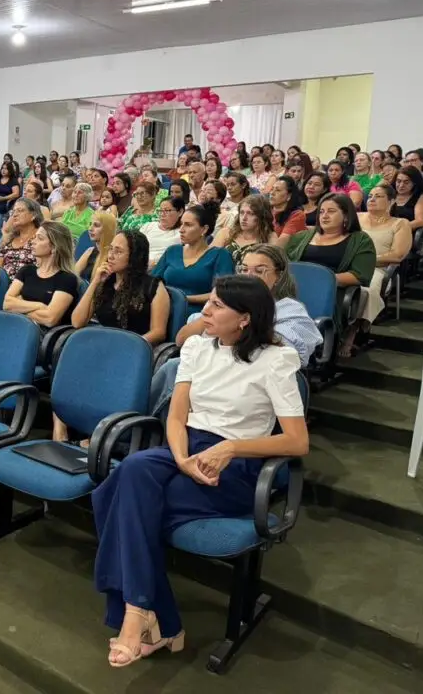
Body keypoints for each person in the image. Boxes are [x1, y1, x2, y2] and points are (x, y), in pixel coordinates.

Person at [95, 274, 308, 668]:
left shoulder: (276, 359)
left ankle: (148, 619)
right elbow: (176, 417)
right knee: (132, 472)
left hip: (237, 464)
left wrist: (231, 447)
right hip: (185, 447)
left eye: (216, 306)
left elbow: (297, 441)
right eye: (206, 302)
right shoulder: (197, 347)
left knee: (122, 498)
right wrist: (180, 459)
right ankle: (145, 613)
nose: (204, 311)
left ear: (244, 319)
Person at [173, 246, 322, 368]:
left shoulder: (290, 310)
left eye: (259, 271)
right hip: (210, 365)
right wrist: (212, 312)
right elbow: (182, 340)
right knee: (173, 365)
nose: (248, 277)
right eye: (244, 269)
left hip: (253, 373)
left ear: (279, 276)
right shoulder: (222, 303)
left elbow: (284, 353)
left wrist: (230, 325)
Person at [285, 193, 376, 338]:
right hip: (294, 289)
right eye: (321, 211)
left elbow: (360, 275)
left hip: (330, 292)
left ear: (346, 216)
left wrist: (321, 281)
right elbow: (285, 264)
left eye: (331, 211)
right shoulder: (301, 237)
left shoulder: (360, 240)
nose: (324, 216)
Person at [347, 185, 413, 354]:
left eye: (378, 196)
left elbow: (397, 255)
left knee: (364, 289)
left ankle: (352, 333)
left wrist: (367, 261)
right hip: (348, 265)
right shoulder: (357, 217)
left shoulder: (400, 223)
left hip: (377, 270)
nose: (372, 199)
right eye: (370, 196)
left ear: (391, 202)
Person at [71, 229, 169, 341]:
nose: (111, 256)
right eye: (111, 249)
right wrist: (95, 282)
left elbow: (158, 332)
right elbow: (77, 322)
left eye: (118, 252)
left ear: (135, 256)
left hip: (133, 348)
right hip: (104, 343)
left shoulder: (154, 286)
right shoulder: (105, 283)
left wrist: (126, 346)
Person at [151, 204, 234, 310]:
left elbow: (222, 293)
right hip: (162, 309)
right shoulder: (172, 251)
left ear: (204, 229)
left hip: (199, 313)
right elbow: (153, 282)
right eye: (181, 224)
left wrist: (183, 298)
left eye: (188, 225)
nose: (181, 229)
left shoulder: (220, 255)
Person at [3, 221, 79, 331]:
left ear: (54, 247)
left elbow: (50, 319)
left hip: (42, 335)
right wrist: (40, 306)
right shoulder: (27, 271)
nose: (33, 242)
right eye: (34, 237)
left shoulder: (67, 279)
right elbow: (7, 304)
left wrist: (20, 305)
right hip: (16, 328)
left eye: (40, 238)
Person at [212, 194, 274, 264]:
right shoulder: (226, 233)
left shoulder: (269, 237)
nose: (244, 218)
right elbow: (209, 260)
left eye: (250, 213)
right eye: (241, 213)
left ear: (262, 216)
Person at [0, 198, 42, 280]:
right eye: (13, 211)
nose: (14, 215)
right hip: (4, 285)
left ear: (33, 215)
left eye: (20, 210)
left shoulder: (41, 238)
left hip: (29, 284)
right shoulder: (8, 239)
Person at [140, 197, 186, 269]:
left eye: (167, 210)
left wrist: (155, 263)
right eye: (160, 210)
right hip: (140, 265)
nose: (162, 214)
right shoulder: (148, 226)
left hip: (163, 269)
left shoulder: (182, 232)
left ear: (180, 212)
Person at [74, 211, 117, 280]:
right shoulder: (90, 251)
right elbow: (73, 275)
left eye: (96, 225)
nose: (90, 229)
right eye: (90, 224)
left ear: (107, 229)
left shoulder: (112, 256)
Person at [269, 176, 307, 248]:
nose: (272, 193)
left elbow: (280, 245)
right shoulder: (266, 210)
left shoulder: (297, 215)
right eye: (271, 189)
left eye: (278, 190)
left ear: (289, 196)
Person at [391, 165, 423, 231]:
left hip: (407, 231)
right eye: (398, 181)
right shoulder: (389, 193)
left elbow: (420, 221)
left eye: (406, 182)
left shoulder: (421, 196)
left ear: (414, 183)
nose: (401, 185)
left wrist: (397, 229)